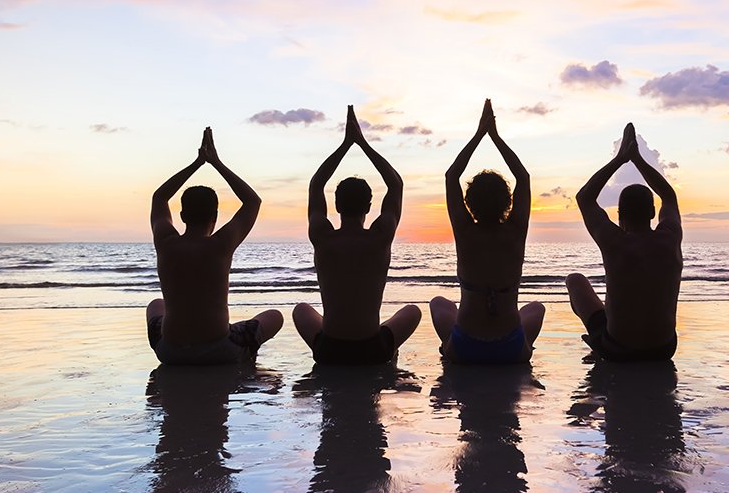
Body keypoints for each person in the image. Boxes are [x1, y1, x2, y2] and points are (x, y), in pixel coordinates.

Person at [293, 106, 422, 365]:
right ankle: (391, 352)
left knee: (301, 310)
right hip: (372, 351)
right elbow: (395, 184)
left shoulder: (322, 236)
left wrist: (345, 145)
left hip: (329, 351)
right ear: (369, 208)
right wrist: (362, 143)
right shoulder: (379, 237)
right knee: (413, 311)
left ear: (337, 206)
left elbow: (316, 184)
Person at [145, 127, 283, 365]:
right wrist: (216, 163)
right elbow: (252, 201)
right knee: (275, 316)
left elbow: (159, 197)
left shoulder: (165, 242)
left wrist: (197, 163)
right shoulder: (221, 244)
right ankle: (246, 354)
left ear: (182, 215)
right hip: (219, 350)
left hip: (170, 352)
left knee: (156, 305)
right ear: (215, 216)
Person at [431, 99, 544, 364]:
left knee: (439, 303)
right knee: (536, 308)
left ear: (468, 203)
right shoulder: (516, 231)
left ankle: (447, 346)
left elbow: (451, 176)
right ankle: (523, 346)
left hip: (464, 347)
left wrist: (479, 135)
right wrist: (495, 136)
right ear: (508, 202)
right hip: (512, 349)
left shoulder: (465, 231)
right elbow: (523, 177)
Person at [567, 123, 682, 362]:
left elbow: (585, 198)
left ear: (619, 214)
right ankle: (603, 335)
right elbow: (669, 196)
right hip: (664, 349)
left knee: (575, 280)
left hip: (618, 349)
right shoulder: (670, 238)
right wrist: (638, 159)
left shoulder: (613, 241)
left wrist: (620, 159)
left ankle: (598, 341)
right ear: (652, 212)